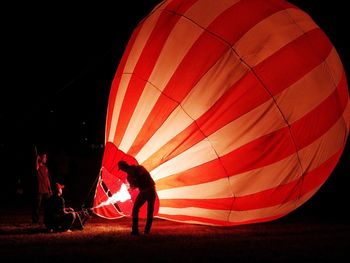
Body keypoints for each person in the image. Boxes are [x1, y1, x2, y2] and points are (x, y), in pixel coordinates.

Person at [118, 160, 157, 235]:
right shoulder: (140, 167)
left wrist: (130, 186)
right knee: (150, 211)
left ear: (122, 169)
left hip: (144, 192)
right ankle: (146, 231)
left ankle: (135, 231)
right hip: (152, 190)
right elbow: (146, 176)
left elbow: (134, 186)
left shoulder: (129, 176)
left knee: (135, 209)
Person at [32, 152, 52, 224]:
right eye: (44, 157)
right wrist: (37, 159)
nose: (46, 159)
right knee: (37, 206)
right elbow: (36, 167)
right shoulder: (38, 166)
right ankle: (35, 220)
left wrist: (50, 189)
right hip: (39, 190)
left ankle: (48, 219)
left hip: (46, 190)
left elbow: (47, 179)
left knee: (48, 206)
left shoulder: (45, 167)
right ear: (41, 158)